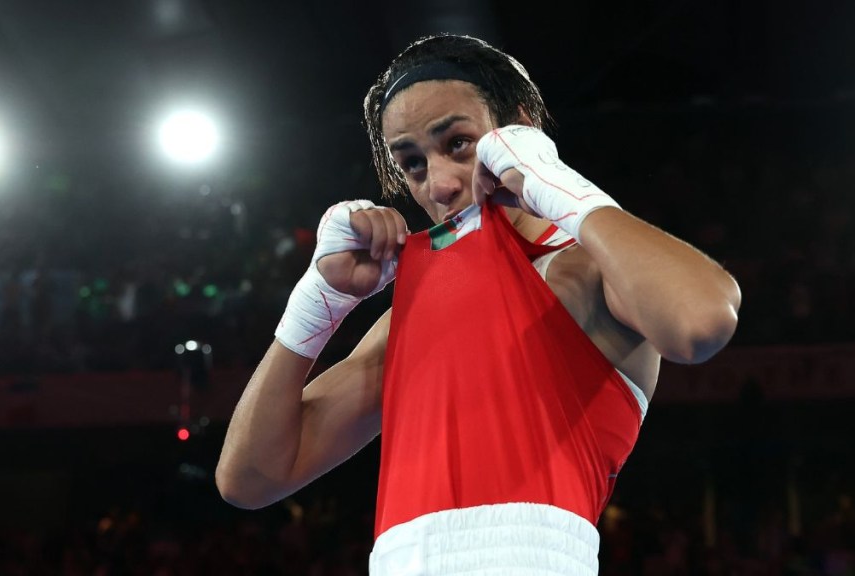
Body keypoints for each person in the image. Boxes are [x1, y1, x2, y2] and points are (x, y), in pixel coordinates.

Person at [216, 33, 742, 575]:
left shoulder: (590, 268)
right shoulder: (413, 310)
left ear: (518, 129)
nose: (439, 185)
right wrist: (318, 302)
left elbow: (702, 322)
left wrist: (554, 184)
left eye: (458, 144)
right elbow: (250, 479)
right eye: (413, 164)